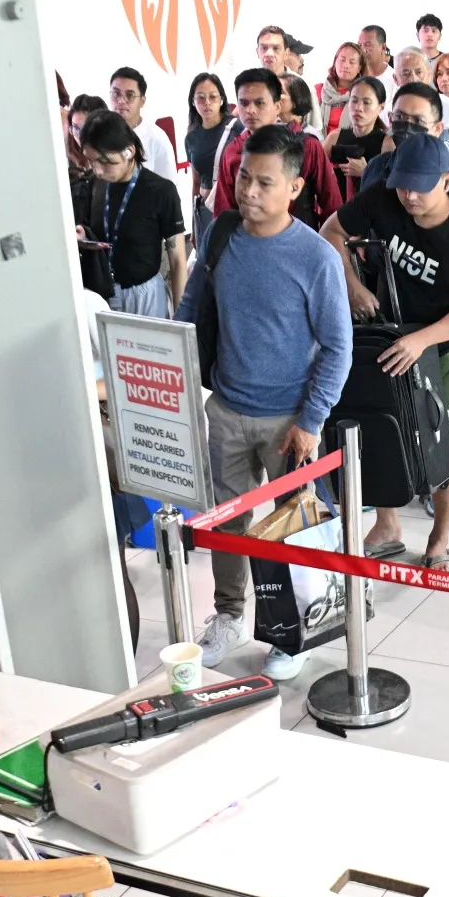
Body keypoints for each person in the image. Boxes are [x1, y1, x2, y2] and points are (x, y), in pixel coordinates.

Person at [175, 126, 353, 673]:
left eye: (264, 182)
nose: (249, 190)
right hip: (226, 408)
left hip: (288, 420)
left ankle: (291, 628)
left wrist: (311, 420)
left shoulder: (315, 257)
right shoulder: (221, 233)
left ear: (295, 187)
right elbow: (192, 303)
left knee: (292, 525)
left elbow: (338, 347)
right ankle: (228, 614)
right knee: (227, 520)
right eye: (243, 176)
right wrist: (174, 365)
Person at [321, 133, 449, 568]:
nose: (410, 195)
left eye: (420, 185)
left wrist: (421, 340)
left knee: (443, 450)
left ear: (447, 182)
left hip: (441, 346)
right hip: (387, 337)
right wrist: (353, 285)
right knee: (381, 435)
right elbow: (332, 232)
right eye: (403, 184)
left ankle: (439, 538)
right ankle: (387, 524)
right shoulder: (383, 197)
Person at [76, 109, 187, 317]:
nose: (98, 170)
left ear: (129, 151)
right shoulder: (94, 184)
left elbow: (178, 260)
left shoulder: (161, 191)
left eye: (106, 161)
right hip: (104, 293)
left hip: (145, 297)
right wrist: (85, 237)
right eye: (92, 161)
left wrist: (183, 318)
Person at [213, 68, 341, 230]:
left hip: (299, 244)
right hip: (249, 245)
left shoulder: (307, 146)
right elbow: (224, 212)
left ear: (278, 106)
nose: (250, 110)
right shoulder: (232, 151)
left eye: (259, 103)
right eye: (244, 103)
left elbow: (331, 203)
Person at [357, 81, 449, 210]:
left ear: (437, 129)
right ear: (390, 119)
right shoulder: (375, 169)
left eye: (418, 120)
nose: (407, 126)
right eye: (400, 116)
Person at [396, 47, 449, 171]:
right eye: (405, 74)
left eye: (419, 72)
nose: (413, 79)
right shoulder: (390, 113)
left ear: (429, 75)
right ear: (395, 79)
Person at [184, 72, 231, 251]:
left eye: (213, 97)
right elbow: (195, 182)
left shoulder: (235, 128)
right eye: (201, 98)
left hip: (231, 212)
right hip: (205, 210)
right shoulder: (191, 137)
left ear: (222, 99)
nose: (207, 103)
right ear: (193, 102)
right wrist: (194, 227)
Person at [326, 76, 390, 199]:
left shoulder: (386, 143)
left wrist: (366, 172)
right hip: (336, 209)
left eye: (366, 102)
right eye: (354, 101)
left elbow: (390, 190)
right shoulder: (334, 137)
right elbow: (316, 174)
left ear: (380, 108)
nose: (358, 108)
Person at [107, 67, 176, 178]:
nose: (120, 101)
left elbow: (169, 188)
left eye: (130, 95)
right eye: (116, 94)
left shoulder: (157, 138)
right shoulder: (101, 133)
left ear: (142, 102)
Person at [316, 42, 365, 135]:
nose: (346, 65)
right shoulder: (318, 91)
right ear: (335, 62)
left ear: (359, 68)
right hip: (319, 146)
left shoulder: (364, 95)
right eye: (342, 60)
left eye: (352, 62)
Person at [358, 24, 399, 92]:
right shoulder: (354, 73)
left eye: (368, 45)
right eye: (359, 45)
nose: (362, 50)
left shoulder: (395, 77)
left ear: (383, 47)